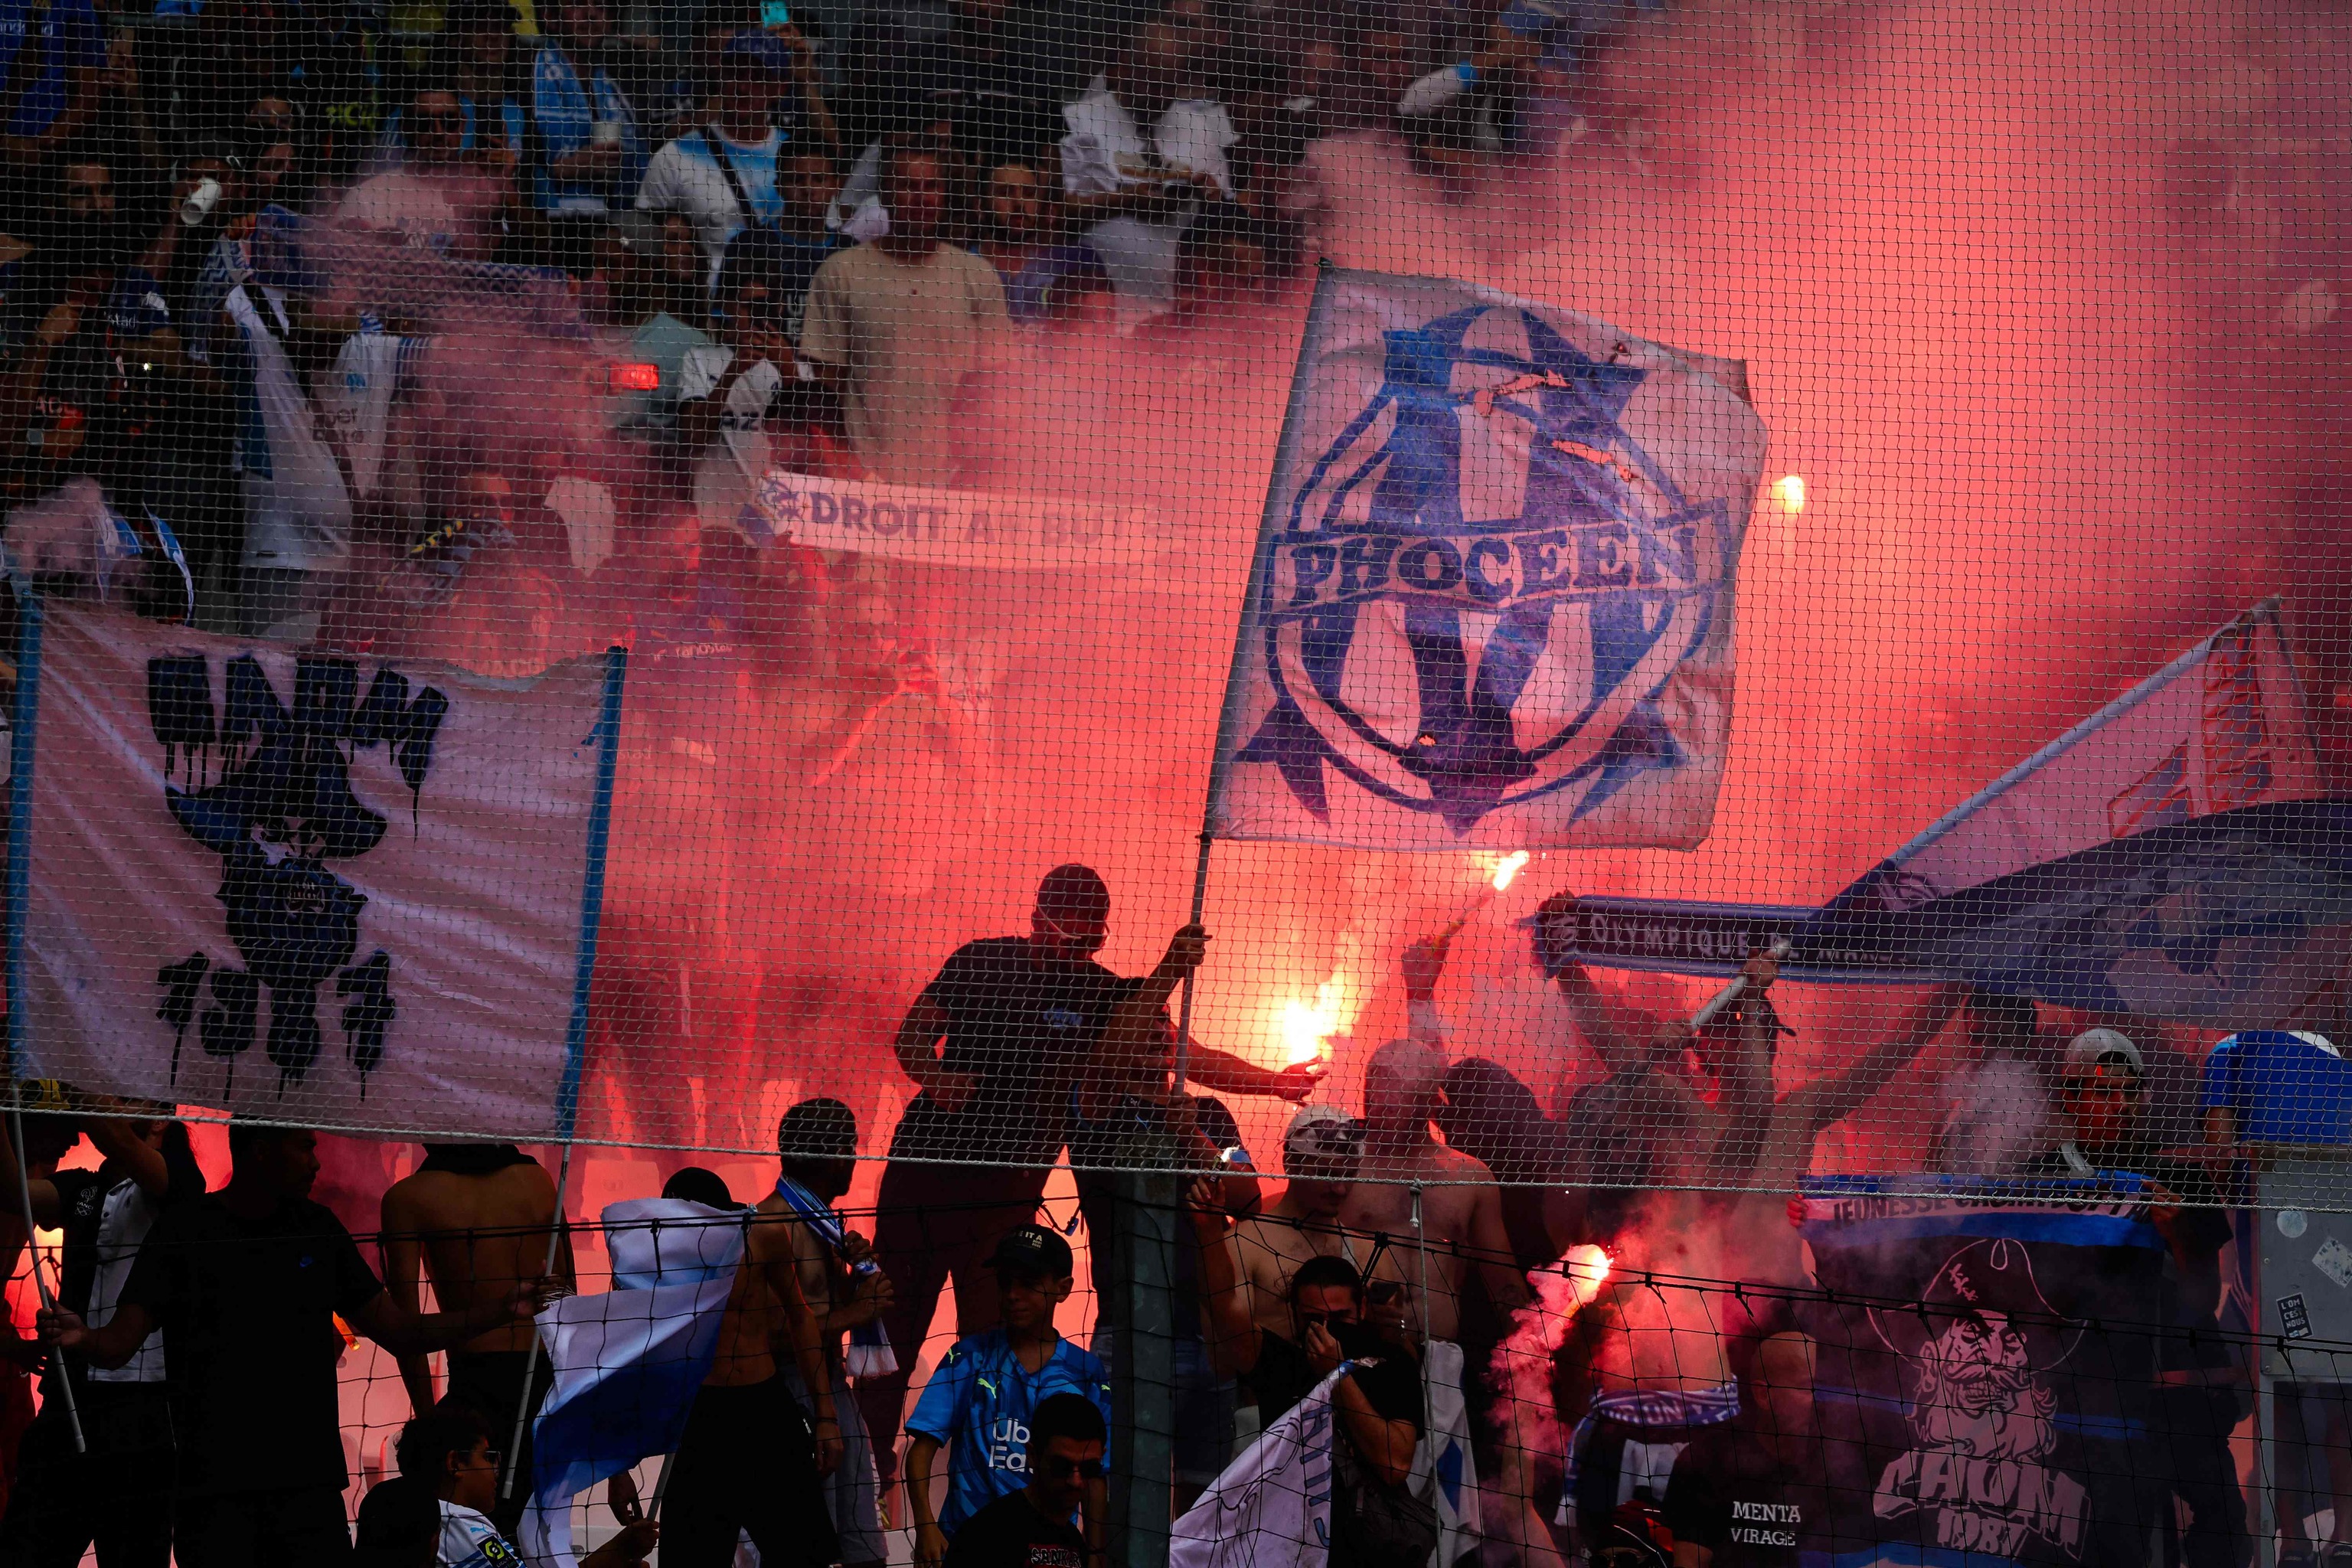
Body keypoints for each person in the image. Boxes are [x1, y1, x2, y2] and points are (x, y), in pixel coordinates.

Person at [39, 1123, 551, 1567]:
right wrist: (82, 1337)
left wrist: (501, 1309)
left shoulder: (318, 1230)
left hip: (308, 1495)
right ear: (261, 1149)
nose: (317, 1162)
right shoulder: (186, 1232)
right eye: (304, 1148)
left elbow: (400, 1330)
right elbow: (119, 1344)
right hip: (213, 1496)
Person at [856, 864, 1160, 1491]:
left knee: (992, 1336)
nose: (1078, 955)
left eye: (1091, 944)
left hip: (1008, 1195)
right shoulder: (979, 961)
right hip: (924, 1177)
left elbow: (1163, 1045)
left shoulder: (1100, 993)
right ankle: (867, 1466)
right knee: (892, 1323)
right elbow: (913, 1034)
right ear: (1036, 921)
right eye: (1067, 940)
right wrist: (936, 1079)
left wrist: (1267, 1080)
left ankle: (976, 1470)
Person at [2020, 1029, 2248, 1568]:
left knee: (2226, 1530)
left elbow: (2203, 1296)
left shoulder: (2178, 1173)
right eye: (2103, 1092)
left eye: (2131, 1091)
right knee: (2107, 1539)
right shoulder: (2042, 1180)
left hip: (2177, 1396)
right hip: (2086, 1404)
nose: (2120, 1106)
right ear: (2069, 1098)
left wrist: (2180, 1238)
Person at [0, 1101, 202, 1568]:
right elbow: (13, 1190)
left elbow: (120, 1140)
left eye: (123, 1097)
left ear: (157, 1120)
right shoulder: (84, 1187)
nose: (110, 1105)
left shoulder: (178, 1183)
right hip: (68, 1404)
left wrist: (80, 1084)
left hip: (145, 1415)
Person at [655, 1117, 845, 1568]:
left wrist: (826, 1416)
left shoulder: (760, 1237)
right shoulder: (654, 1255)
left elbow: (801, 1320)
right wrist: (620, 1467)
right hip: (697, 1414)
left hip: (763, 1408)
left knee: (801, 1556)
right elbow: (625, 1352)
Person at [378, 1140, 576, 1537]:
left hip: (477, 1388)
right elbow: (570, 1304)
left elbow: (406, 1329)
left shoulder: (409, 1197)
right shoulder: (537, 1181)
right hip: (547, 1382)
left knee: (475, 1537)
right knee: (542, 1535)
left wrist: (430, 1419)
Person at [799, 139, 1008, 485]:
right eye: (909, 186)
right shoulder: (841, 272)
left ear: (945, 195)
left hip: (954, 482)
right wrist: (849, 464)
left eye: (932, 186)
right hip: (864, 479)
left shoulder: (978, 275)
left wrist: (973, 470)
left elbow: (994, 381)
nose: (921, 198)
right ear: (885, 194)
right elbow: (827, 386)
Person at [906, 1226, 1111, 1568]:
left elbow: (1095, 1476)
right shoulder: (968, 1357)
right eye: (1005, 1282)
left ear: (1063, 1289)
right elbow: (921, 1452)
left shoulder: (1086, 1371)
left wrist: (1096, 1551)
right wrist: (926, 1527)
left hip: (1051, 1553)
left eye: (1028, 1282)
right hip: (969, 1545)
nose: (1013, 1294)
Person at [1057, 0, 1233, 332]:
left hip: (1189, 317)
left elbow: (1226, 212)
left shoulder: (1199, 128)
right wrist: (1127, 201)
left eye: (1170, 86)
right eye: (1151, 82)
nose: (1159, 96)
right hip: (1106, 316)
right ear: (1125, 67)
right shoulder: (1080, 120)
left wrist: (1209, 193)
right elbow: (1058, 211)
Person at [772, 1098, 896, 1568]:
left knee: (864, 1551)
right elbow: (769, 1334)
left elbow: (822, 1307)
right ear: (829, 1155)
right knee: (803, 1549)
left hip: (833, 1393)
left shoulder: (820, 1222)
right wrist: (857, 1312)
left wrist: (858, 1280)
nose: (855, 1159)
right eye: (850, 1148)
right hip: (795, 1402)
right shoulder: (778, 1225)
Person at [364, 1399, 658, 1568]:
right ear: (456, 1464)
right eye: (488, 1456)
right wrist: (620, 1552)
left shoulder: (410, 1511)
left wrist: (619, 1550)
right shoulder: (461, 1523)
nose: (496, 1469)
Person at [1662, 1328, 1845, 1568]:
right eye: (1806, 1388)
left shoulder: (1843, 1463)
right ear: (1763, 1395)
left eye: (1821, 1388)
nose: (1818, 1400)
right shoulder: (1707, 1461)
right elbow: (1690, 1563)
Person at [636, 31, 796, 282]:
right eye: (736, 74)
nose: (743, 87)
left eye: (758, 78)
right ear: (720, 76)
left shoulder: (798, 157)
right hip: (700, 312)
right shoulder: (676, 156)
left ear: (780, 88)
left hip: (779, 311)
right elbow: (644, 246)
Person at [680, 227, 802, 532]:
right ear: (731, 307)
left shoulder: (796, 363)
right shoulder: (698, 358)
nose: (759, 317)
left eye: (766, 306)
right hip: (715, 518)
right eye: (751, 306)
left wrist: (789, 373)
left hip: (780, 521)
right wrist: (733, 372)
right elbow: (692, 438)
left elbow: (810, 445)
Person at [1229, 1104, 1367, 1341]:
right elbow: (1229, 1353)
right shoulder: (1243, 1245)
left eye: (1349, 1175)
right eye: (1327, 1174)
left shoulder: (1369, 1252)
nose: (1340, 1189)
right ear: (1291, 1163)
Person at [526, 0, 645, 270]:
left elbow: (639, 166)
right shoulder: (527, 75)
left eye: (602, 6)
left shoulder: (610, 86)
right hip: (543, 233)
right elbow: (511, 166)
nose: (591, 14)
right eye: (578, 4)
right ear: (550, 16)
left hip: (603, 228)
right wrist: (566, 167)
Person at [336, 84, 512, 256]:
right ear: (405, 127)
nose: (438, 132)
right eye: (424, 123)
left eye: (449, 121)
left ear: (462, 124)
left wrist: (506, 185)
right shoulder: (367, 196)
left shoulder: (485, 193)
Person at [940, 1391, 1105, 1568]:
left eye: (1089, 1468)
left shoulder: (1074, 1541)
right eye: (1061, 1466)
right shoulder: (987, 1535)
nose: (1076, 1481)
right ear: (1032, 1456)